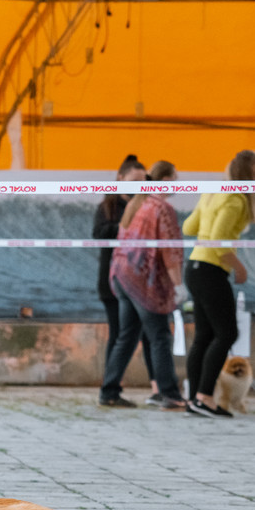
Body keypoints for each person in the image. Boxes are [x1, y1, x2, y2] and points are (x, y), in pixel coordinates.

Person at [183, 150, 255, 418]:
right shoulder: (236, 198)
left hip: (194, 267)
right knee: (227, 333)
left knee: (205, 336)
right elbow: (217, 239)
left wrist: (206, 215)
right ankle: (204, 397)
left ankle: (194, 400)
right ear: (244, 174)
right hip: (210, 270)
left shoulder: (212, 192)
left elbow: (188, 228)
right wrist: (239, 266)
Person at [99, 161, 187, 410]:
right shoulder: (162, 208)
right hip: (144, 282)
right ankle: (169, 394)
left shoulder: (136, 204)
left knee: (127, 336)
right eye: (175, 179)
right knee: (159, 336)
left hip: (123, 276)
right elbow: (170, 252)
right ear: (166, 181)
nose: (177, 185)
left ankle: (109, 391)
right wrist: (179, 285)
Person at [93, 154, 158, 406]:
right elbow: (99, 234)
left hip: (140, 280)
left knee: (148, 334)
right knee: (120, 335)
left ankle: (157, 388)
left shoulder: (146, 206)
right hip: (113, 281)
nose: (138, 187)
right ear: (120, 179)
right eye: (134, 181)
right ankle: (110, 389)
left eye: (143, 182)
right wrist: (126, 226)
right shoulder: (108, 207)